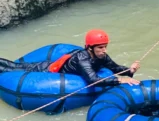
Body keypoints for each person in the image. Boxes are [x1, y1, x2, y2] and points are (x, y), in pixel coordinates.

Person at [0, 30, 140, 86]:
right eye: (100, 48)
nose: (104, 50)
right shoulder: (82, 59)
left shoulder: (102, 56)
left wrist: (130, 70)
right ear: (90, 48)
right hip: (44, 70)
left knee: (13, 67)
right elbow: (92, 80)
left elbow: (115, 68)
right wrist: (118, 80)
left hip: (53, 65)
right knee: (12, 68)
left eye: (105, 47)